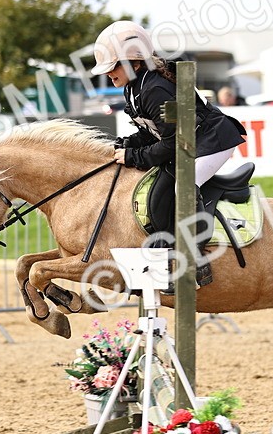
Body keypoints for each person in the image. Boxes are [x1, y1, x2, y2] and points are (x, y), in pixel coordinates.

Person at [91, 20, 247, 290]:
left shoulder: (154, 89)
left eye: (114, 66)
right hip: (188, 141)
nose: (109, 75)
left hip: (212, 141)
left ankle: (194, 258)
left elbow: (174, 142)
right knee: (158, 188)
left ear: (134, 63)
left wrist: (134, 157)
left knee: (182, 185)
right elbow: (152, 133)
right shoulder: (134, 88)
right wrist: (125, 146)